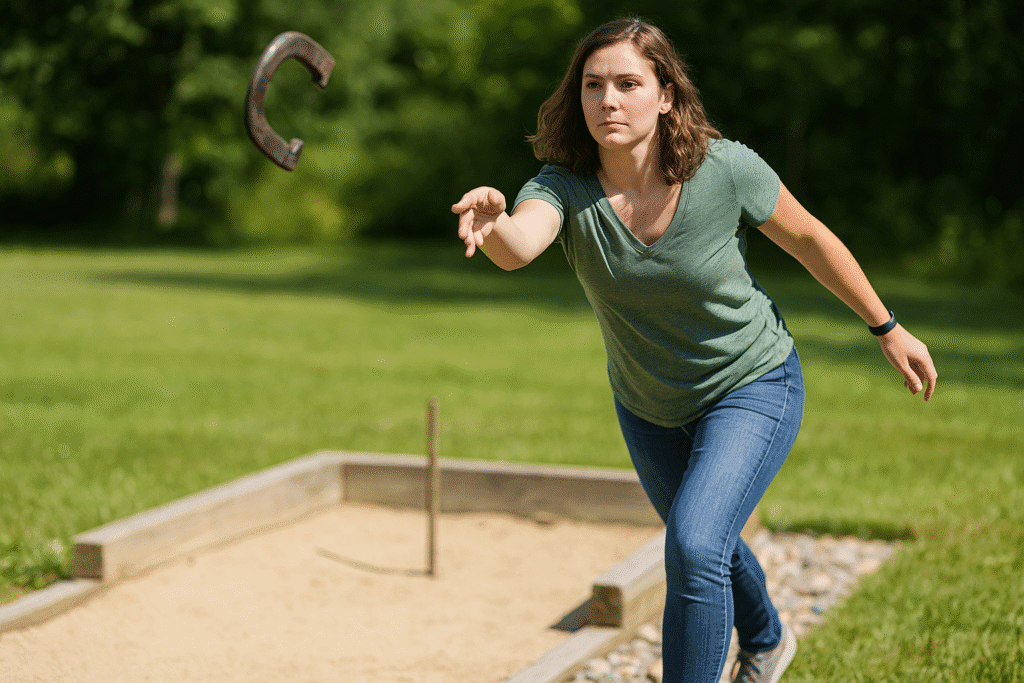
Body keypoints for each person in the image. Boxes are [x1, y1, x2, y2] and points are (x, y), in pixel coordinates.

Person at [452, 16, 937, 683]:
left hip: (753, 383)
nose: (609, 100)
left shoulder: (724, 167)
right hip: (648, 407)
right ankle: (767, 640)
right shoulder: (563, 185)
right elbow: (521, 246)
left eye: (628, 83)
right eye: (593, 86)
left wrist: (888, 326)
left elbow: (810, 239)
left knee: (695, 541)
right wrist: (496, 219)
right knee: (705, 540)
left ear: (666, 95)